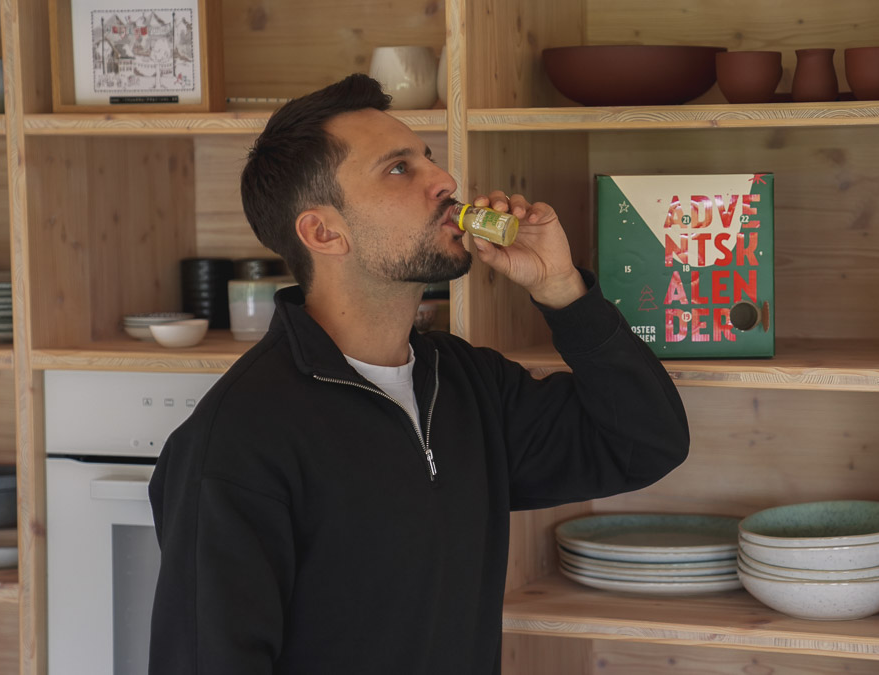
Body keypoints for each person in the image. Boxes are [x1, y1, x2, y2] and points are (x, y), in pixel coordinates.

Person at [147, 73, 690, 674]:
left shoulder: (469, 385)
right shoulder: (235, 443)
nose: (446, 181)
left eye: (428, 157)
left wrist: (563, 291)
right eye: (399, 169)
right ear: (324, 232)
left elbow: (644, 442)